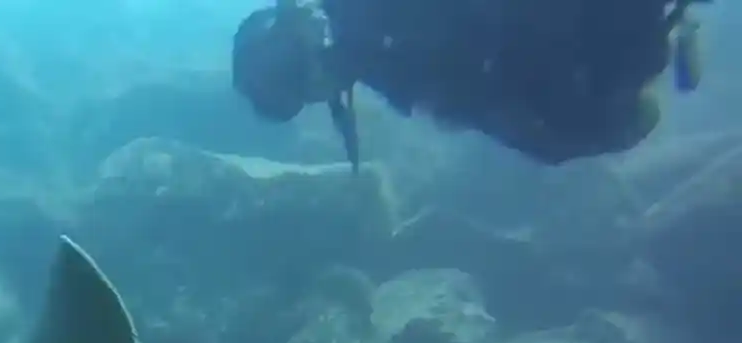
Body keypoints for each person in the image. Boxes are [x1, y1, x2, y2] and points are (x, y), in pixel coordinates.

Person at [231, 0, 711, 170]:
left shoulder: (361, 30)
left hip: (537, 35)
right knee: (576, 117)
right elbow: (454, 94)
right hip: (535, 58)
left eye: (296, 71)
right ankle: (668, 32)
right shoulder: (367, 54)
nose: (316, 83)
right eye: (298, 90)